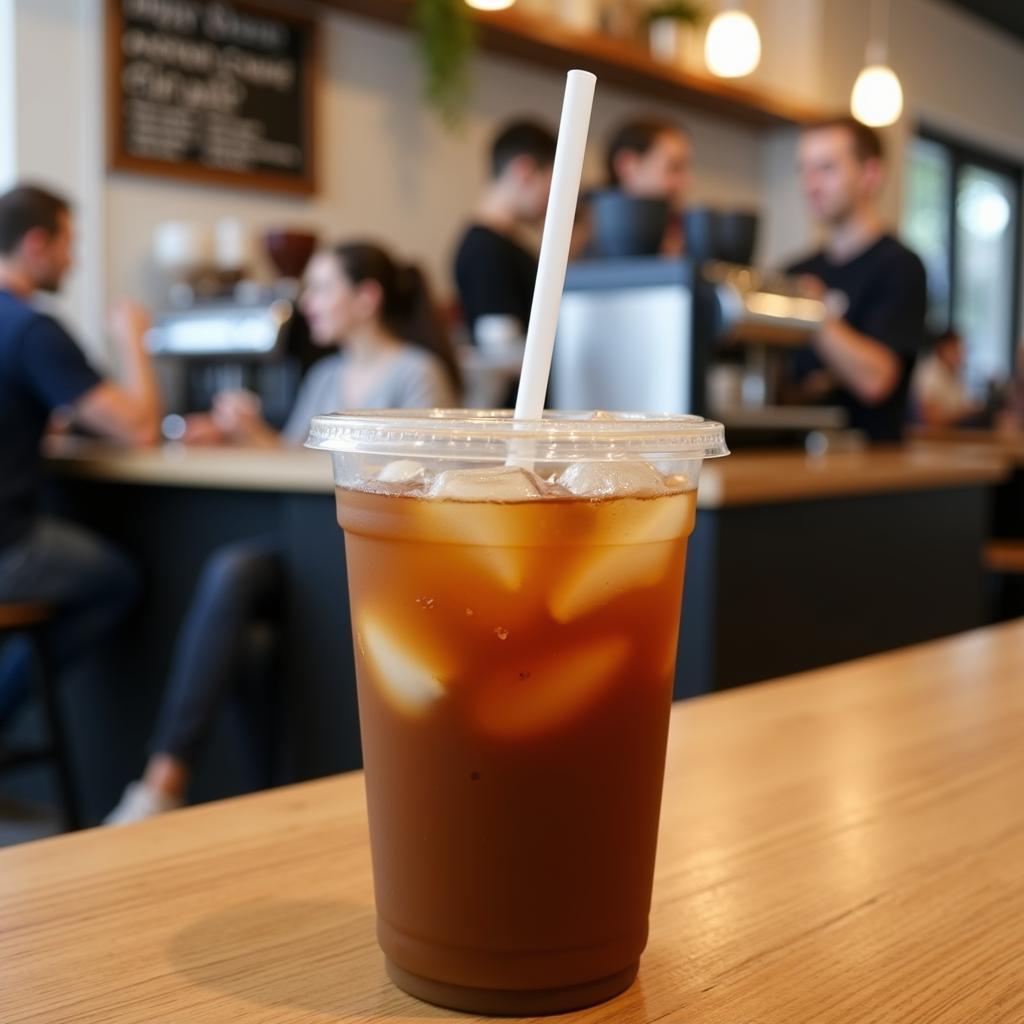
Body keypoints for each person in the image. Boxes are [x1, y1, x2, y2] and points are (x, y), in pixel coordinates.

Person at [104, 241, 457, 824]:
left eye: (321, 288)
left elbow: (431, 477)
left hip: (381, 558)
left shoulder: (418, 375)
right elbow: (297, 463)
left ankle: (170, 780)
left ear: (366, 298)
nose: (308, 303)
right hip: (311, 542)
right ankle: (164, 781)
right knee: (232, 569)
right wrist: (242, 432)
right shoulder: (325, 376)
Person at [0, 184, 161, 728]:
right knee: (117, 581)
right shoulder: (30, 329)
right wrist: (132, 338)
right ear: (37, 243)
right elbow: (139, 427)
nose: (75, 259)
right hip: (7, 549)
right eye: (70, 243)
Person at [784, 117, 927, 442]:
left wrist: (815, 313)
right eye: (804, 169)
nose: (811, 184)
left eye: (827, 168)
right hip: (788, 461)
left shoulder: (900, 266)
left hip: (868, 472)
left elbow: (876, 381)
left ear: (870, 175)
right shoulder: (793, 271)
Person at [453, 120, 557, 381]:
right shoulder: (485, 250)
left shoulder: (502, 244)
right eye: (553, 181)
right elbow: (500, 349)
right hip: (515, 412)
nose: (553, 196)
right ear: (525, 170)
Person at [911, 330, 982, 427]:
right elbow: (931, 418)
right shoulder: (929, 373)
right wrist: (965, 412)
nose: (962, 355)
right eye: (956, 349)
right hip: (932, 436)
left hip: (952, 432)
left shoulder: (954, 373)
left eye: (962, 350)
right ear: (942, 349)